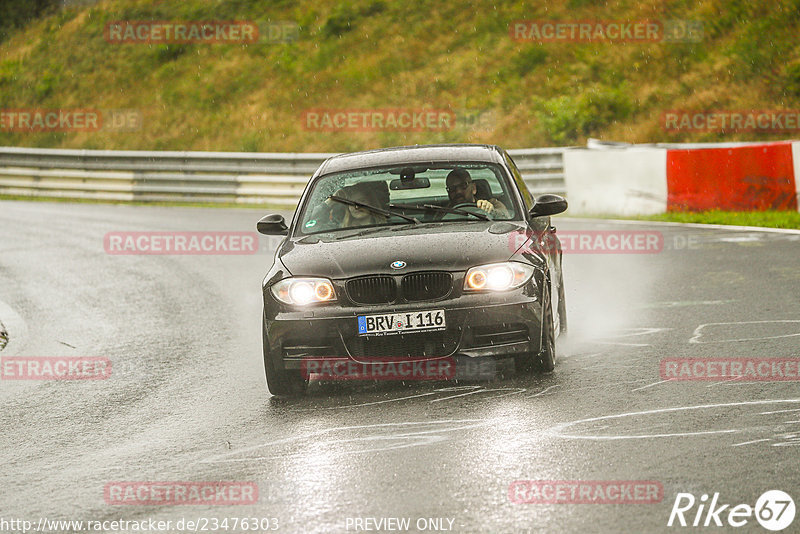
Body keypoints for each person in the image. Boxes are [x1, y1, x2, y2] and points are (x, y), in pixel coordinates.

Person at [444, 168, 509, 218]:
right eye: (452, 188)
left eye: (463, 185)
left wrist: (491, 211)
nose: (458, 191)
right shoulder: (442, 210)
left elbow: (506, 216)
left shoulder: (492, 203)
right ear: (448, 192)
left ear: (473, 188)